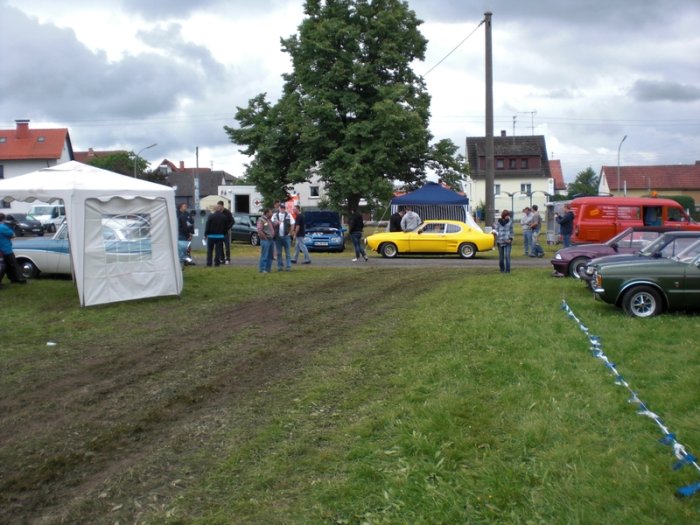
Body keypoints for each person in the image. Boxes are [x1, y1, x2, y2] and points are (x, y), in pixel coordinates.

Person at [0, 213, 27, 284]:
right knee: (14, 265)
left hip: (1, 251)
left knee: (6, 266)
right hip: (6, 249)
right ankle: (20, 279)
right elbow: (13, 235)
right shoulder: (3, 227)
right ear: (3, 219)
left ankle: (12, 278)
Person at [272, 202, 295, 271]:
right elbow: (272, 223)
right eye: (281, 208)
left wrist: (291, 232)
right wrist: (276, 224)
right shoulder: (275, 215)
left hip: (286, 236)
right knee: (279, 253)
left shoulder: (289, 215)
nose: (282, 209)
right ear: (279, 208)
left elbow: (293, 223)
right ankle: (280, 266)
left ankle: (288, 267)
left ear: (285, 208)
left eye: (283, 208)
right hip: (278, 236)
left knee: (287, 253)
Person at [204, 202, 228, 267]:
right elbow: (226, 227)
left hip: (211, 236)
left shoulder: (210, 216)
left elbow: (207, 226)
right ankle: (217, 262)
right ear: (219, 209)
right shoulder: (224, 217)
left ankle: (209, 263)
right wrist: (224, 233)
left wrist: (205, 234)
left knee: (210, 250)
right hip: (220, 236)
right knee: (218, 250)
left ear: (214, 209)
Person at [493, 209, 514, 273]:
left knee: (507, 256)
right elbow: (496, 230)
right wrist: (494, 232)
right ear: (504, 215)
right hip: (500, 241)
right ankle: (502, 270)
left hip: (508, 241)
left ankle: (508, 271)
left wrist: (510, 239)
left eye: (509, 215)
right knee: (501, 258)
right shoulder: (498, 221)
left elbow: (512, 231)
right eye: (507, 215)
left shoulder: (510, 222)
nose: (508, 217)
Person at [256, 208, 275, 273]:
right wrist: (265, 238)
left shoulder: (269, 220)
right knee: (264, 255)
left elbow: (273, 225)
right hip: (265, 240)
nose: (272, 214)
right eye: (271, 212)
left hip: (271, 240)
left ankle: (268, 269)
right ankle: (262, 269)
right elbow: (259, 230)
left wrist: (278, 223)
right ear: (267, 213)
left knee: (270, 255)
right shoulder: (261, 220)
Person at [218, 200, 234, 265]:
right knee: (220, 245)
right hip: (219, 232)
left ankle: (228, 258)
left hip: (225, 232)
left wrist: (228, 228)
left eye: (219, 206)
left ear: (222, 206)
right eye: (218, 206)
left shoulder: (227, 212)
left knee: (227, 245)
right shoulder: (218, 212)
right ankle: (222, 258)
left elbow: (232, 221)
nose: (218, 207)